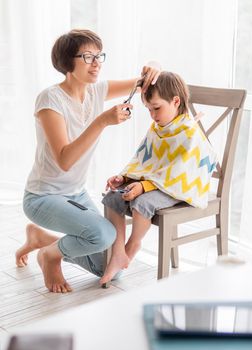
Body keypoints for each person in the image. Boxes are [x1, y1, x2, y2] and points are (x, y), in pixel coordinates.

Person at [15, 29, 160, 293]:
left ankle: (43, 240)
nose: (97, 63)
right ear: (67, 63)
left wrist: (154, 67)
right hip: (42, 197)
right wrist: (102, 121)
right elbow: (64, 161)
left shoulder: (96, 91)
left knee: (108, 271)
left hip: (75, 193)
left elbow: (143, 81)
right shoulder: (50, 100)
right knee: (103, 235)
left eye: (99, 56)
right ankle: (50, 255)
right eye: (87, 57)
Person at [100, 71, 217, 285]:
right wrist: (124, 177)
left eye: (156, 108)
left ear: (175, 101)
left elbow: (182, 171)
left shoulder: (189, 132)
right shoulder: (158, 127)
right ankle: (118, 251)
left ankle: (133, 245)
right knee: (114, 196)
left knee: (142, 202)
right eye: (149, 110)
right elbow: (144, 159)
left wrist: (144, 187)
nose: (153, 116)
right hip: (159, 182)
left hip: (181, 186)